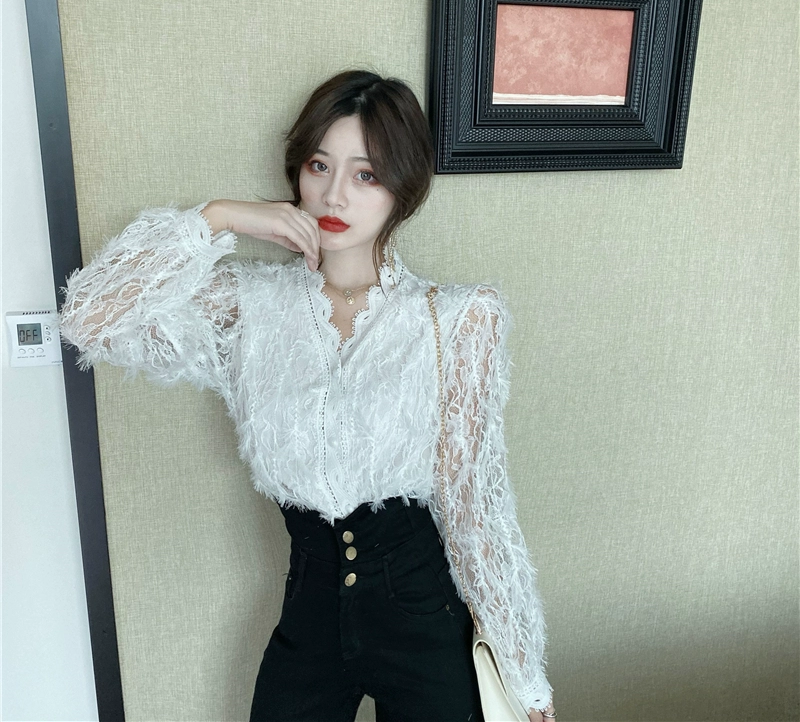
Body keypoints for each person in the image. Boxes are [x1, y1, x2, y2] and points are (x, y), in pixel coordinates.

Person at [59, 70, 556, 722]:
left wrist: (525, 681)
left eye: (365, 174)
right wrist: (222, 217)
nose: (334, 194)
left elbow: (475, 509)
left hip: (423, 612)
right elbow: (88, 317)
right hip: (310, 606)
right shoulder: (248, 307)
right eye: (320, 166)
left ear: (402, 188)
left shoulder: (456, 319)